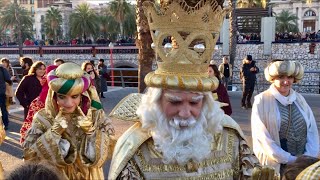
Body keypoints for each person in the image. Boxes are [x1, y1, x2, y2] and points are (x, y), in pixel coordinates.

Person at [108, 0, 275, 179]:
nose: (186, 113)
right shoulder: (135, 148)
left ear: (206, 102)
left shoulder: (231, 137)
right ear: (156, 102)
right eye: (175, 101)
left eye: (195, 102)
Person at [22, 63, 115, 180]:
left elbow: (107, 153)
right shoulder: (43, 118)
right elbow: (29, 156)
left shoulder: (96, 115)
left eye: (74, 96)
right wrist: (53, 134)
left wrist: (91, 133)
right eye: (62, 97)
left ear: (82, 95)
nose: (68, 103)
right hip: (56, 176)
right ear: (54, 96)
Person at [251, 60, 319, 176]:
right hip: (276, 166)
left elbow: (312, 131)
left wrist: (307, 157)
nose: (286, 81)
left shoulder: (300, 99)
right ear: (273, 78)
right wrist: (289, 159)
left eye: (290, 77)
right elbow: (263, 138)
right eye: (281, 77)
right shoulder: (262, 100)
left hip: (302, 167)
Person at [19, 65, 58, 144]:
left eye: (44, 69)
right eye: (40, 69)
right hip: (39, 105)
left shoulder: (48, 79)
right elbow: (19, 92)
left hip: (45, 105)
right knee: (34, 127)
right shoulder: (29, 78)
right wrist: (25, 104)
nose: (42, 71)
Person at [0, 64, 13, 130]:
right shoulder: (2, 69)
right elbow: (8, 80)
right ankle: (6, 124)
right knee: (3, 109)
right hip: (1, 92)